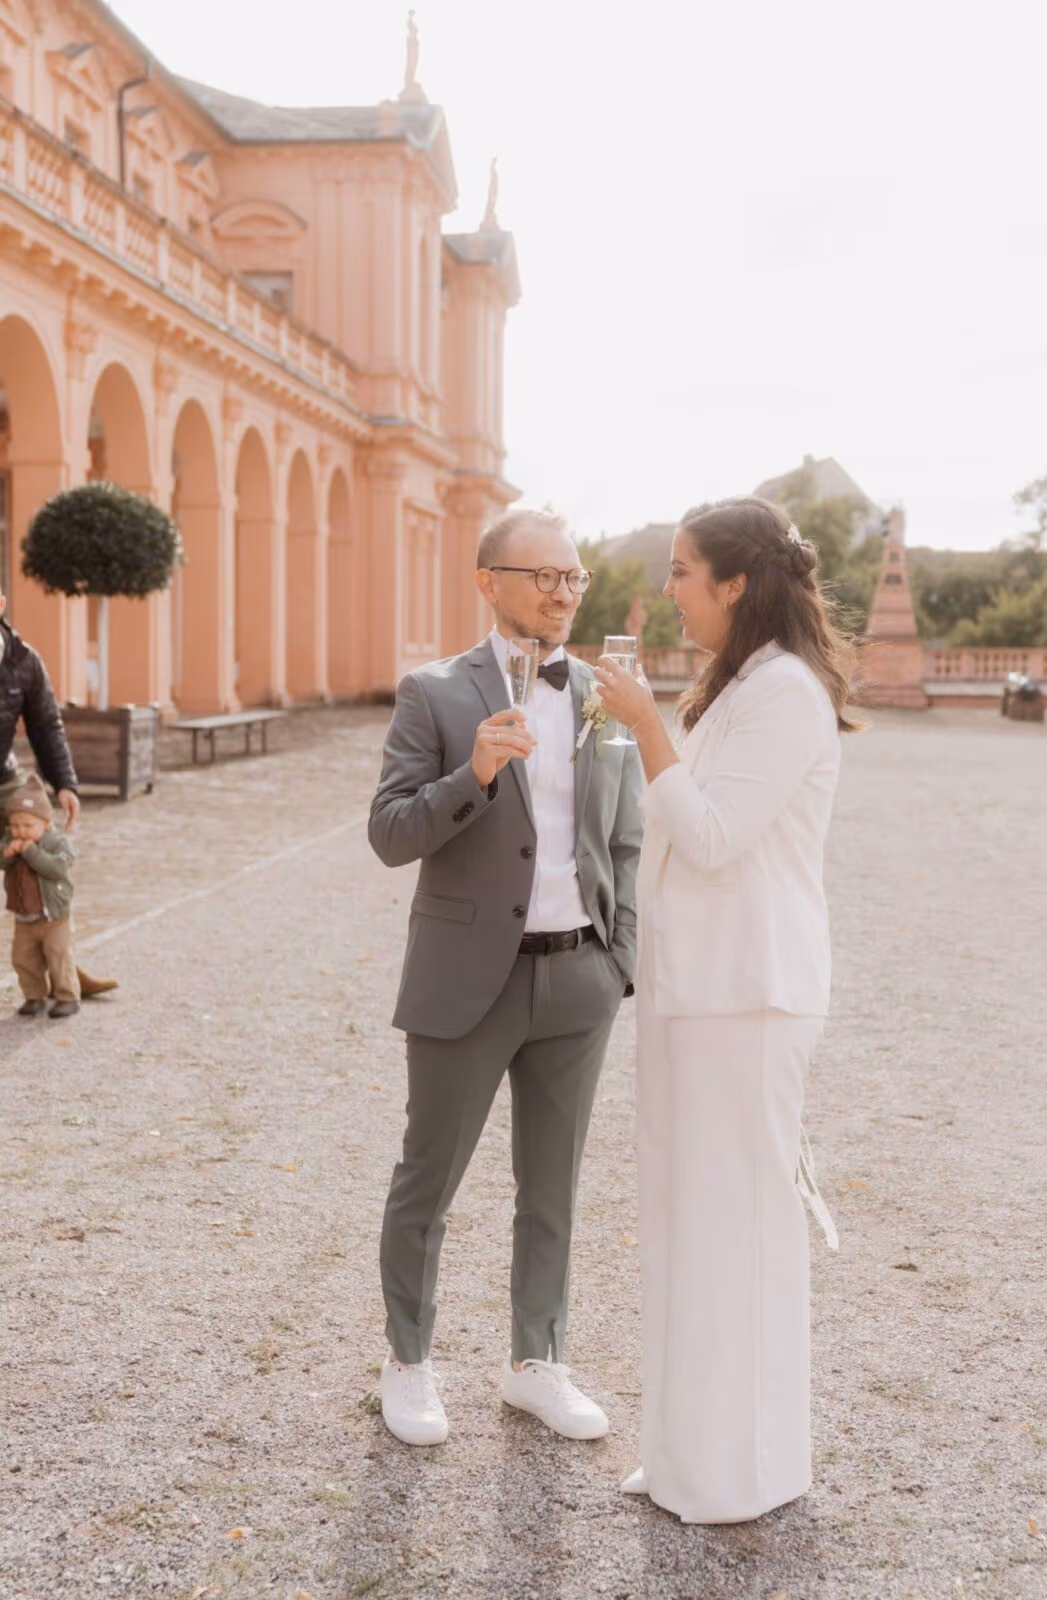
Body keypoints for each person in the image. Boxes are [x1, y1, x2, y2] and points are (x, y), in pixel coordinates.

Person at [594, 495, 858, 1524]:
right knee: (681, 1221)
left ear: (735, 584)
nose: (668, 589)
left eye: (682, 570)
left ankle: (741, 1471)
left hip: (748, 998)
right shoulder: (737, 684)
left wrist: (647, 729)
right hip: (697, 993)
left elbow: (709, 837)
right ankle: (683, 1452)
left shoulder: (783, 692)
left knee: (734, 1229)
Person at [368, 508, 642, 1447]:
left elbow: (627, 838)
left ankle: (537, 1360)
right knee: (427, 1181)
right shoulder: (434, 693)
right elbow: (389, 834)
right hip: (465, 978)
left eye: (574, 578)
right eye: (544, 576)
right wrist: (471, 776)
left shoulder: (611, 695)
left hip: (579, 981)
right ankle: (408, 1362)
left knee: (553, 1188)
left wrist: (619, 960)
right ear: (489, 580)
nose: (563, 593)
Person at [0, 593, 115, 1001]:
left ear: (0, 604)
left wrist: (65, 783)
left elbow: (46, 725)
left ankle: (64, 967)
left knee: (43, 866)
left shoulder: (23, 660)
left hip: (4, 779)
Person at [2, 774, 79, 1019]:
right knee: (24, 958)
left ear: (45, 823)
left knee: (58, 956)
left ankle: (67, 996)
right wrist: (9, 854)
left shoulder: (57, 843)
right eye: (15, 825)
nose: (20, 831)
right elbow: (2, 862)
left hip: (54, 916)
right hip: (25, 916)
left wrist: (32, 852)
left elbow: (56, 869)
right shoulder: (10, 840)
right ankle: (34, 996)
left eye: (27, 826)